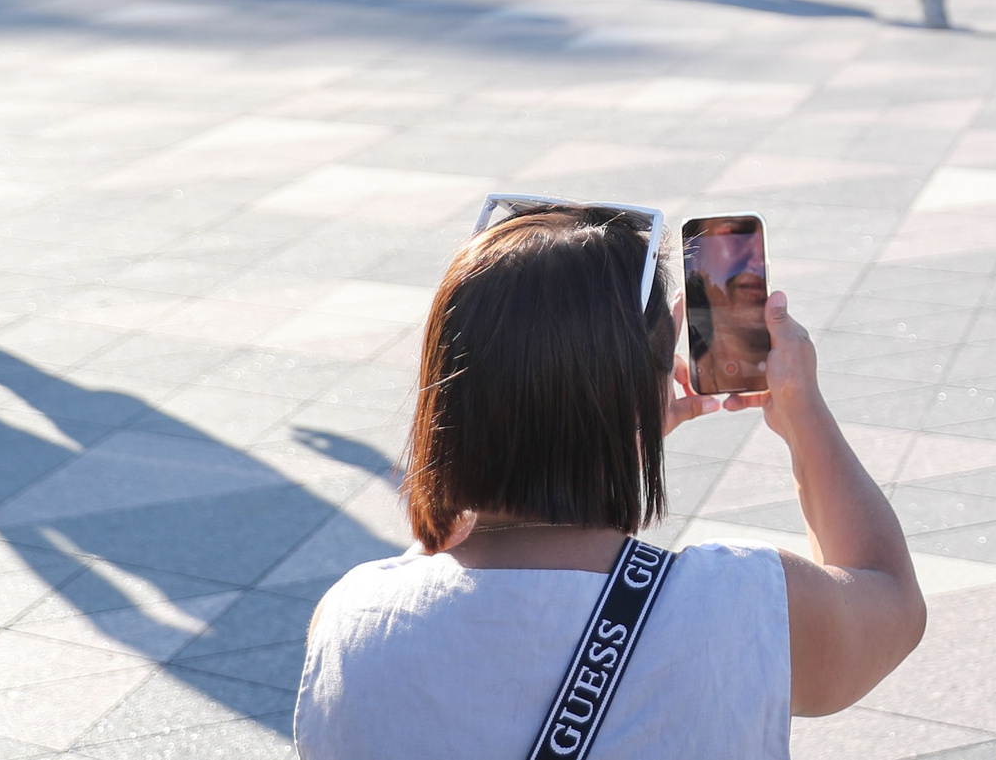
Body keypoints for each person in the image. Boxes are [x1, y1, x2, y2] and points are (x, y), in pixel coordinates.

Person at [292, 201, 925, 757]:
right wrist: (803, 414)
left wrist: (611, 429)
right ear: (643, 394)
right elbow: (891, 599)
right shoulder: (744, 608)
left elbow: (437, 574)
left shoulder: (350, 623)